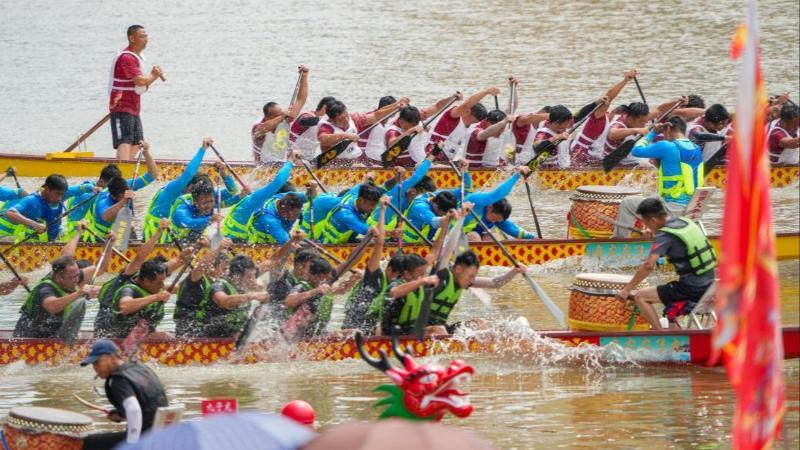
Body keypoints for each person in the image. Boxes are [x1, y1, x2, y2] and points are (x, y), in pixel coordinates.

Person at [616, 198, 717, 330]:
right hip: (711, 284)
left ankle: (661, 335)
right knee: (666, 293)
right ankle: (675, 332)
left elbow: (648, 266)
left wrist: (626, 290)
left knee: (641, 296)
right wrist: (654, 234)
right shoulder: (686, 221)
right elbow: (676, 245)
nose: (647, 227)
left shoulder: (664, 235)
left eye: (646, 224)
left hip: (692, 289)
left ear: (653, 220)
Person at [383, 248, 525, 335]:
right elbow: (444, 250)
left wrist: (514, 271)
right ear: (458, 269)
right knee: (439, 330)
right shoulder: (440, 278)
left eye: (473, 277)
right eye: (470, 276)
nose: (472, 281)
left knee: (479, 323)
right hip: (418, 329)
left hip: (440, 328)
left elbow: (495, 283)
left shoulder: (462, 280)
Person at [12, 240, 112, 337]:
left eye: (78, 275)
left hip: (55, 333)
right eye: (72, 277)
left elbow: (101, 268)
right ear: (59, 278)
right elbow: (52, 307)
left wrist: (109, 243)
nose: (77, 279)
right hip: (30, 337)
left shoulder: (74, 276)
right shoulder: (45, 288)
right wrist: (78, 293)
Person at [81, 340, 168, 449]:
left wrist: (132, 445)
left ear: (112, 358)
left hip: (145, 438)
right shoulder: (141, 368)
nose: (95, 368)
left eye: (97, 363)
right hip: (163, 433)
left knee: (90, 441)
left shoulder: (118, 380)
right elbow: (150, 404)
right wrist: (121, 414)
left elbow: (134, 410)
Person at [64, 140, 160, 240]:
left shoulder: (120, 185)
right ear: (101, 182)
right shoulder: (87, 195)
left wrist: (146, 153)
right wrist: (124, 201)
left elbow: (152, 175)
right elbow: (105, 216)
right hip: (82, 236)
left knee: (128, 226)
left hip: (109, 231)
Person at [95, 219, 174, 337]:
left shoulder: (150, 276)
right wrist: (158, 233)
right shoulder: (126, 280)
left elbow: (175, 263)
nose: (162, 285)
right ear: (146, 280)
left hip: (132, 327)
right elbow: (140, 256)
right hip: (109, 327)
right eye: (159, 282)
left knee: (164, 335)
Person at [341, 196, 404, 332]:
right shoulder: (375, 277)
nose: (399, 281)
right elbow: (379, 243)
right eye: (398, 276)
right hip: (353, 328)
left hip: (370, 327)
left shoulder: (399, 285)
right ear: (389, 270)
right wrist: (382, 210)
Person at [109, 25, 164, 161]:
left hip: (133, 107)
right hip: (121, 105)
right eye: (142, 36)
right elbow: (140, 81)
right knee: (125, 139)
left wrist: (152, 77)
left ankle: (125, 166)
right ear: (132, 38)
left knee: (137, 141)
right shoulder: (127, 57)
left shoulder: (138, 57)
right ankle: (122, 168)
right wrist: (154, 75)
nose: (146, 39)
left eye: (146, 36)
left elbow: (142, 85)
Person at [142, 138, 213, 242]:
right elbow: (188, 174)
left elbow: (229, 194)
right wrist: (202, 150)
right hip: (153, 243)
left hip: (171, 242)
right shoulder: (170, 193)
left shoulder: (186, 198)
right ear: (190, 186)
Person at [568, 70, 637, 166]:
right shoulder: (599, 118)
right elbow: (608, 98)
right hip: (579, 155)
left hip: (592, 156)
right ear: (613, 113)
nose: (620, 123)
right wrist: (625, 81)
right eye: (620, 119)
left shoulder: (614, 124)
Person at [631, 116, 705, 206]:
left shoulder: (665, 146)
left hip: (673, 203)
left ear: (668, 129)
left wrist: (653, 133)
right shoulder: (696, 148)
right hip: (693, 204)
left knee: (627, 203)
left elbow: (636, 151)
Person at [283, 256, 359, 339]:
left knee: (353, 333)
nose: (326, 282)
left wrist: (351, 282)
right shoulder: (303, 286)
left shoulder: (326, 289)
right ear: (314, 276)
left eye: (328, 278)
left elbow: (350, 262)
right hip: (293, 336)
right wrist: (316, 291)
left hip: (316, 335)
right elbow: (288, 302)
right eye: (324, 279)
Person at [194, 255, 269, 337]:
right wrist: (251, 296)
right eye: (249, 277)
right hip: (203, 338)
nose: (253, 281)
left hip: (229, 338)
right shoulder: (218, 286)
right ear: (236, 276)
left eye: (254, 276)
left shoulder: (243, 288)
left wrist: (262, 303)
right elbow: (224, 301)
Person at [316, 97, 408, 164]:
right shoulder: (326, 127)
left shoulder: (354, 118)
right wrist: (346, 136)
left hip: (354, 161)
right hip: (334, 164)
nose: (346, 120)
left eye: (346, 116)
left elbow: (375, 115)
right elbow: (323, 139)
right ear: (332, 120)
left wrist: (396, 106)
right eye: (341, 120)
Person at [377, 94, 458, 166]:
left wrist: (452, 97)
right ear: (401, 122)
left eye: (415, 125)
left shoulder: (415, 115)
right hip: (397, 167)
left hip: (414, 164)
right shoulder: (392, 131)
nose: (413, 127)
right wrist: (409, 131)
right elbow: (391, 143)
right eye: (411, 126)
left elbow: (436, 106)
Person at [252, 66, 310, 163]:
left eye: (282, 113)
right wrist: (282, 116)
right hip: (263, 166)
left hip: (281, 163)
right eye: (278, 115)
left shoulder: (285, 119)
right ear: (267, 117)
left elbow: (300, 100)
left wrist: (304, 77)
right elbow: (261, 130)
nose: (283, 117)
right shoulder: (259, 126)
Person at [427, 87, 498, 162]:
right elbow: (467, 104)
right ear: (467, 111)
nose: (474, 123)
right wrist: (486, 91)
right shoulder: (453, 117)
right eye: (474, 120)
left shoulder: (472, 127)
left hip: (445, 162)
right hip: (429, 157)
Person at [460, 166, 530, 239]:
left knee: (495, 237)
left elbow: (513, 230)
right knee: (474, 236)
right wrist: (517, 175)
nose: (493, 221)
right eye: (494, 218)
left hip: (473, 239)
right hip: (456, 235)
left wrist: (533, 237)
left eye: (496, 220)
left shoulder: (496, 216)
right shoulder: (476, 201)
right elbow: (498, 194)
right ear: (490, 207)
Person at [0, 174, 71, 242]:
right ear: (47, 189)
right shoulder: (31, 200)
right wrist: (35, 225)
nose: (60, 198)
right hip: (17, 241)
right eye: (57, 194)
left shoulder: (57, 203)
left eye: (62, 194)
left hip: (47, 244)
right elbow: (10, 213)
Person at [316, 183, 382, 244]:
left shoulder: (356, 195)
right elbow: (368, 230)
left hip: (345, 240)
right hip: (329, 245)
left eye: (375, 204)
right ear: (360, 200)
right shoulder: (346, 214)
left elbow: (362, 185)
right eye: (372, 204)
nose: (374, 208)